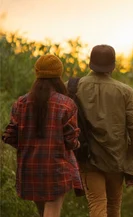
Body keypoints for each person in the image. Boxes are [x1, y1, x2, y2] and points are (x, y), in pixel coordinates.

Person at [2, 54, 83, 217]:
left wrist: (28, 145)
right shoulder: (66, 104)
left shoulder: (21, 103)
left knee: (43, 213)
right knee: (52, 211)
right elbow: (70, 141)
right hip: (56, 169)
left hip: (29, 168)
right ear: (58, 75)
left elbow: (9, 135)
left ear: (37, 73)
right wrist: (77, 144)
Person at [73, 45, 133, 217]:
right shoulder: (125, 91)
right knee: (113, 206)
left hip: (88, 158)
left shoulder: (74, 87)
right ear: (113, 66)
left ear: (90, 63)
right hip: (116, 160)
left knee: (97, 204)